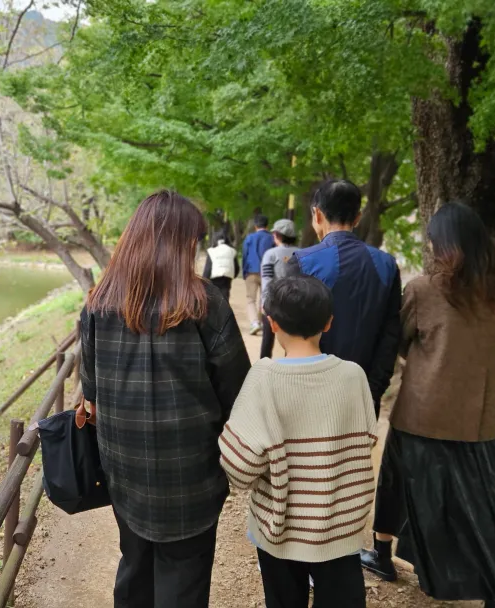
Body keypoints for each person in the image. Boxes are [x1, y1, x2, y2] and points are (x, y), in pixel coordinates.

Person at [363, 202, 495, 607]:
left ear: (445, 245)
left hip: (424, 412)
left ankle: (383, 556)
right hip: (481, 417)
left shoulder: (423, 289)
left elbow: (400, 341)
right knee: (478, 502)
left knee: (395, 481)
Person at [80, 190, 252, 608]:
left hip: (124, 468)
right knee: (185, 579)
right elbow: (239, 393)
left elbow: (91, 395)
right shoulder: (205, 303)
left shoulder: (99, 302)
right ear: (182, 243)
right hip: (191, 474)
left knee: (135, 563)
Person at [220, 275, 377, 608]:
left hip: (281, 531)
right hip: (341, 527)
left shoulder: (263, 378)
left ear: (272, 322)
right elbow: (368, 438)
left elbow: (240, 467)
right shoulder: (353, 376)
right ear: (329, 322)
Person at [286, 180, 401, 413]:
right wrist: (374, 390)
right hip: (363, 395)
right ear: (357, 218)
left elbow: (291, 334)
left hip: (308, 395)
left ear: (317, 214)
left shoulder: (302, 261)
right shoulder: (386, 265)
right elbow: (391, 336)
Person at [259, 218, 299, 358]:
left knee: (267, 339)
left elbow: (267, 280)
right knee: (293, 340)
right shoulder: (302, 253)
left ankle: (264, 367)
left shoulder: (270, 254)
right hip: (295, 302)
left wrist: (264, 302)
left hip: (274, 301)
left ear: (277, 235)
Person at [242, 214, 275, 335]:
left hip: (251, 270)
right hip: (267, 271)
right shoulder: (272, 238)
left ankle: (254, 323)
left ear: (255, 226)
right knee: (264, 297)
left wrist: (244, 271)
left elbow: (245, 255)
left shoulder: (249, 238)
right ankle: (262, 322)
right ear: (267, 225)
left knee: (251, 299)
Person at [202, 230, 240, 302]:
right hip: (227, 277)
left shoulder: (211, 251)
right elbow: (236, 267)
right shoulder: (232, 250)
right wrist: (233, 275)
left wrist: (204, 281)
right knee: (225, 297)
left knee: (213, 297)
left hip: (214, 278)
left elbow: (208, 268)